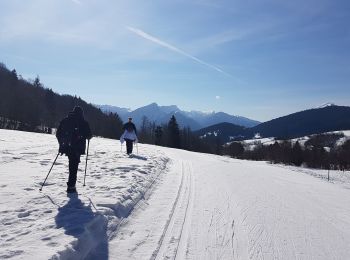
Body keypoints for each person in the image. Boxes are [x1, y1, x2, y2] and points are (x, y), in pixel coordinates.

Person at [56, 106, 92, 193]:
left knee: (72, 164)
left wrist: (61, 143)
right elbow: (89, 135)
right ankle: (71, 186)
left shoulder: (65, 120)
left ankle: (71, 185)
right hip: (77, 148)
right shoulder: (83, 122)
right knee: (73, 166)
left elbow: (58, 133)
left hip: (66, 147)